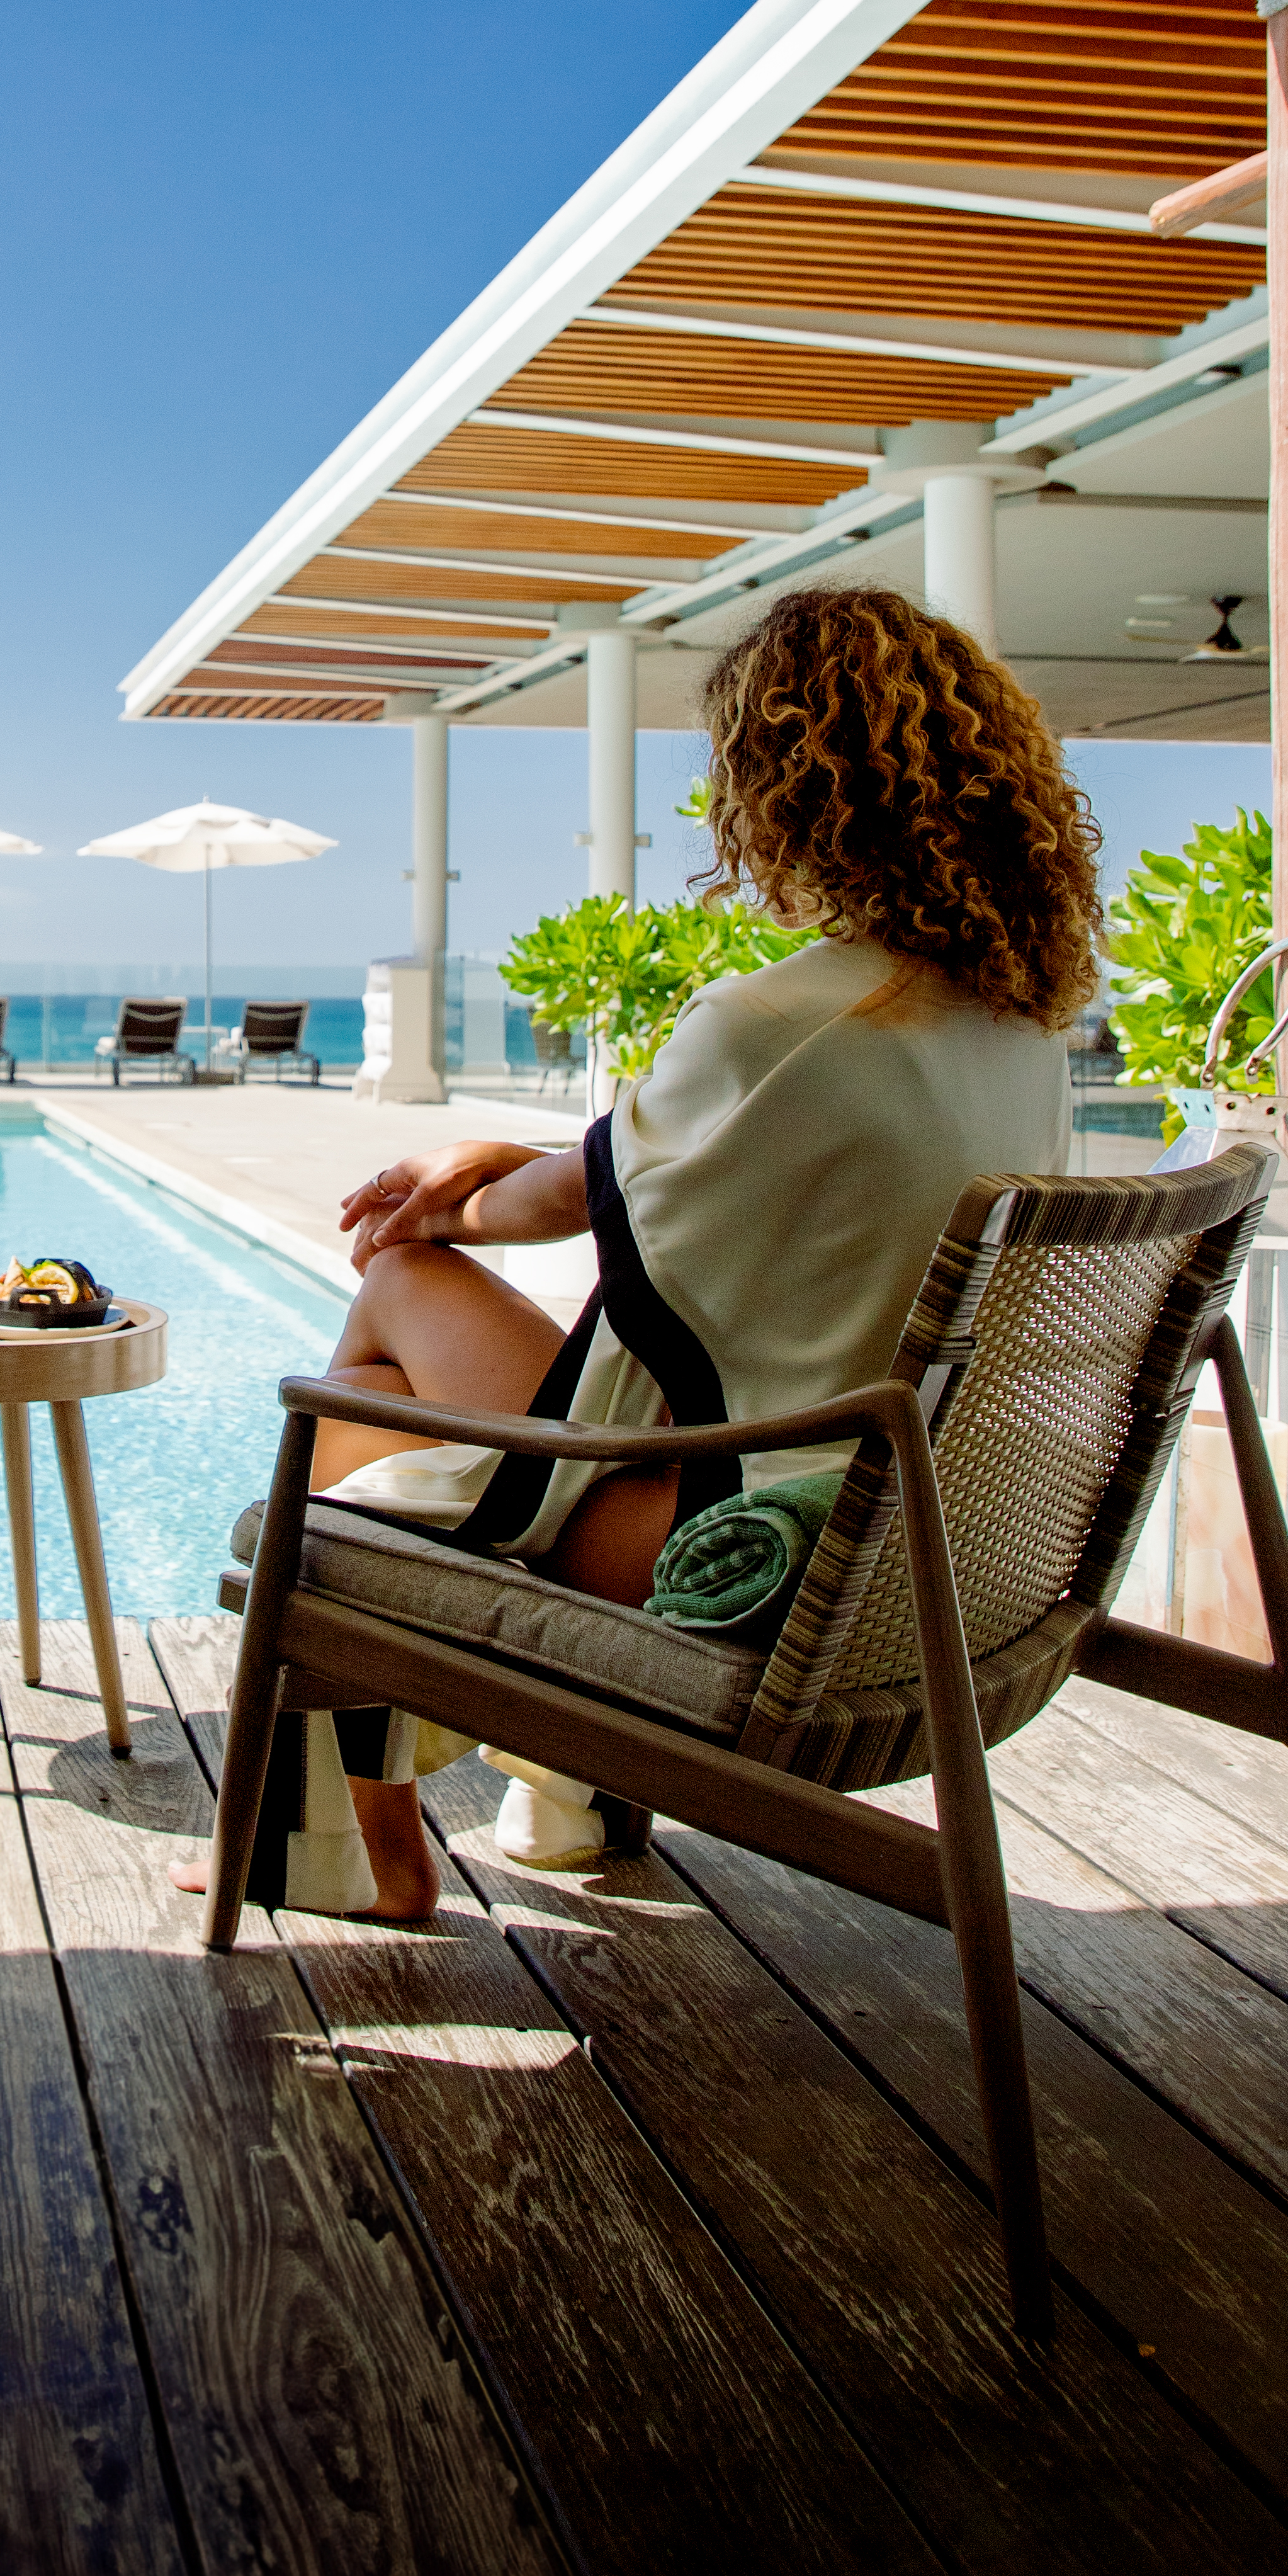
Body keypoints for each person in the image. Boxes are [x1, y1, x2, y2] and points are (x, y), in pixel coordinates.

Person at [242, 585, 1100, 1925]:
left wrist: (456, 1195)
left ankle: (366, 1850)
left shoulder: (775, 1024)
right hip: (933, 1554)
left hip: (752, 1559)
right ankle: (543, 1799)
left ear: (779, 789)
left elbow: (551, 1209)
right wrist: (493, 1160)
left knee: (376, 1366)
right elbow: (624, 1169)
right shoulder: (1017, 1028)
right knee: (400, 1424)